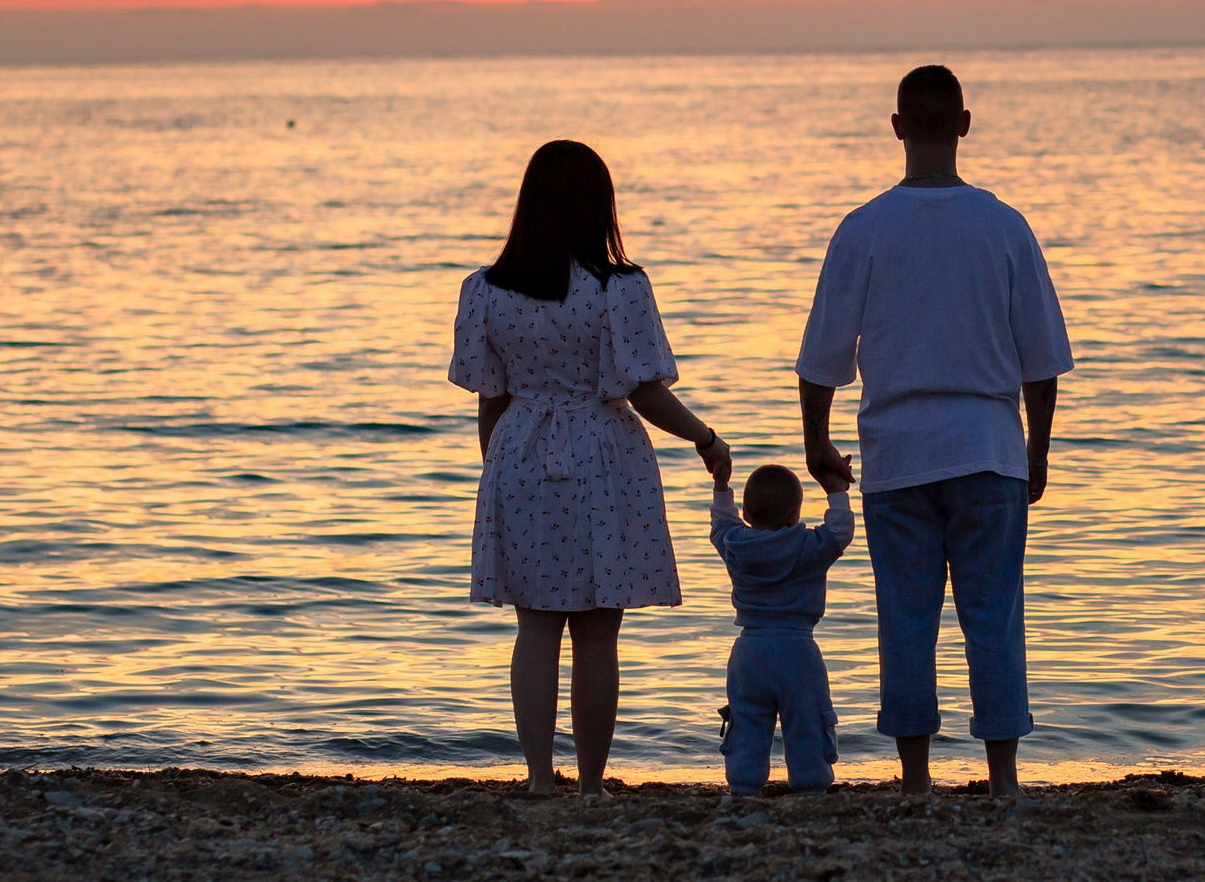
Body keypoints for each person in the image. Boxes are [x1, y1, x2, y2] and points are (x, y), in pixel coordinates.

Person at [795, 65, 1073, 800]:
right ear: (965, 124)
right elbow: (1042, 361)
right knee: (994, 615)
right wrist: (1036, 450)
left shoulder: (864, 229)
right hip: (988, 446)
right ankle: (1003, 777)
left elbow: (823, 353)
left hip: (900, 451)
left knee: (907, 616)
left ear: (895, 128)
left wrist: (816, 440)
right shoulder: (1004, 226)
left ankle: (916, 778)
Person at [449, 140, 730, 796]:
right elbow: (641, 389)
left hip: (518, 454)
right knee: (598, 635)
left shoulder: (485, 291)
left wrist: (497, 469)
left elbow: (490, 396)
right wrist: (706, 437)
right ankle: (593, 781)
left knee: (536, 628)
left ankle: (541, 779)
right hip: (605, 456)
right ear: (598, 206)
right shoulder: (619, 288)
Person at [708, 460, 856, 795]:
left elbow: (720, 524)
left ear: (746, 514)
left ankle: (744, 786)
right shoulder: (809, 546)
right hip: (798, 650)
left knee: (747, 720)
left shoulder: (736, 546)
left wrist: (721, 487)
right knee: (807, 721)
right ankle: (810, 785)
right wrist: (836, 489)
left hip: (750, 651)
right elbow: (840, 530)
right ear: (794, 516)